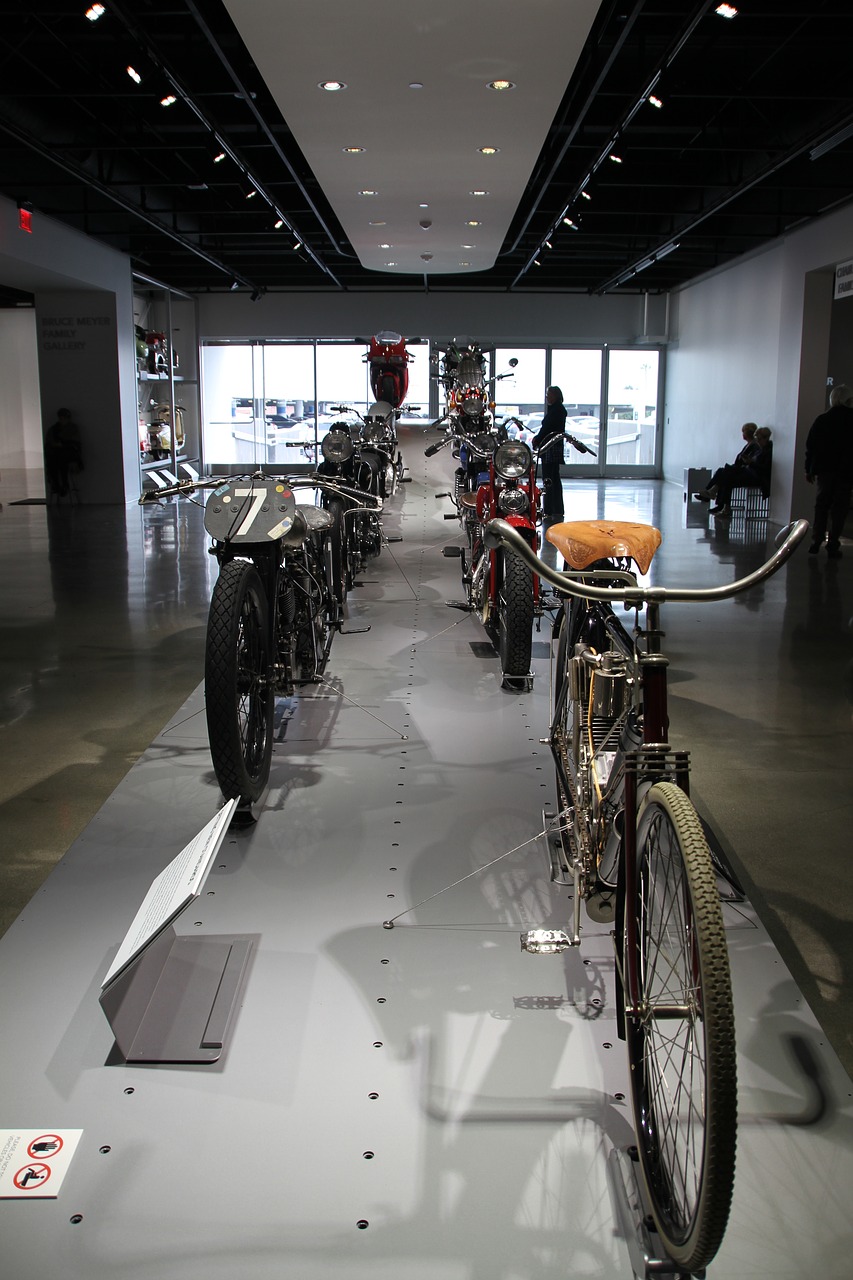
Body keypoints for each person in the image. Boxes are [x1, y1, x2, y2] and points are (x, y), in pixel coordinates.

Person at [805, 384, 853, 559]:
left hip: (825, 470)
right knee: (840, 508)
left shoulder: (822, 420)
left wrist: (809, 469)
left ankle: (816, 540)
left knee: (822, 505)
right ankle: (833, 543)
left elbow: (811, 446)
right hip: (846, 471)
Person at [706, 426, 772, 516]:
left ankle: (715, 493)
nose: (759, 442)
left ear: (766, 438)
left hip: (756, 477)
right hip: (751, 473)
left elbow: (763, 469)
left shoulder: (768, 451)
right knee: (726, 475)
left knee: (726, 472)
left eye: (760, 439)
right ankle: (722, 504)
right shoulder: (761, 449)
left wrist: (750, 462)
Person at [695, 422, 759, 501]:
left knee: (724, 474)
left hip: (744, 472)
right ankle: (709, 492)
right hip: (740, 469)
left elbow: (746, 461)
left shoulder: (754, 445)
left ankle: (710, 493)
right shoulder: (749, 445)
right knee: (721, 471)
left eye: (743, 432)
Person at [532, 386, 567, 520]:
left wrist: (537, 439)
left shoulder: (557, 411)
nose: (547, 397)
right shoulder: (558, 409)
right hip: (553, 447)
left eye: (549, 395)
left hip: (550, 448)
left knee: (549, 479)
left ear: (555, 395)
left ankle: (550, 509)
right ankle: (556, 508)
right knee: (554, 478)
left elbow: (547, 429)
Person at [44, 407, 83, 498]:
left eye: (64, 417)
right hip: (55, 454)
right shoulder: (53, 429)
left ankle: (64, 484)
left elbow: (75, 443)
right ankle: (56, 484)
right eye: (61, 418)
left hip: (68, 454)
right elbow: (48, 441)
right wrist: (54, 445)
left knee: (62, 460)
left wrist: (63, 444)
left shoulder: (73, 428)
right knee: (52, 461)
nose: (62, 420)